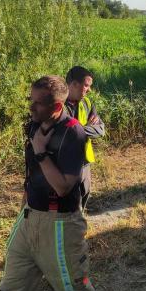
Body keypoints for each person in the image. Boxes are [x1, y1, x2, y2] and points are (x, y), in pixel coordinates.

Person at [0, 76, 107, 291]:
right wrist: (23, 209)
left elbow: (64, 186)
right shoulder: (33, 126)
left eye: (38, 103)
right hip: (29, 220)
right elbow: (30, 176)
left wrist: (41, 152)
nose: (31, 107)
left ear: (57, 105)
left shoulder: (73, 134)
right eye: (30, 100)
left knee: (71, 290)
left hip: (61, 225)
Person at [64, 66, 105, 211]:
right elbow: (64, 133)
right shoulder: (59, 106)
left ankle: (79, 227)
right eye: (86, 85)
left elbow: (100, 129)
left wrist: (78, 128)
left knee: (85, 195)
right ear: (74, 84)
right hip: (65, 164)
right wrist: (86, 127)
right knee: (70, 203)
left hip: (85, 161)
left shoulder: (87, 103)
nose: (89, 90)